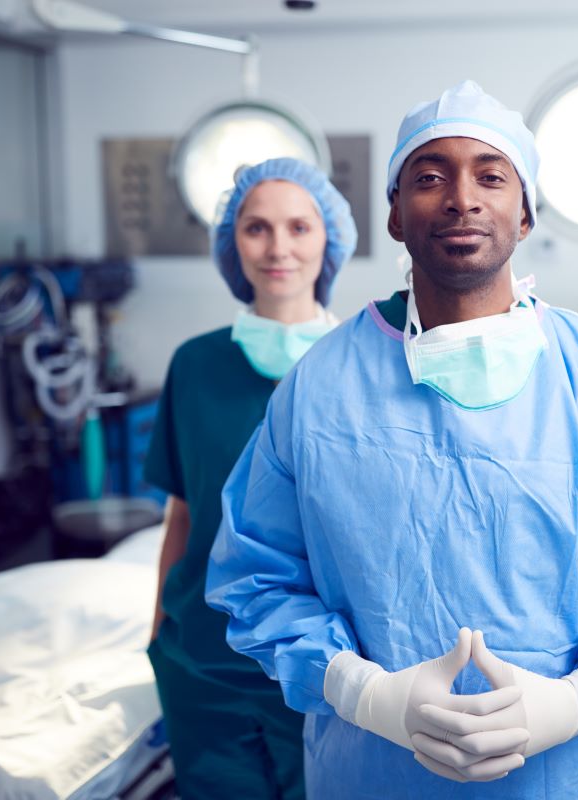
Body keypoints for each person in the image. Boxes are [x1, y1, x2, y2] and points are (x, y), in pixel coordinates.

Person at [205, 80, 578, 800]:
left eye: (490, 174)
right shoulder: (317, 389)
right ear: (392, 212)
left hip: (563, 779)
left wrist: (576, 697)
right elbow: (255, 578)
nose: (461, 198)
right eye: (429, 176)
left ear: (527, 209)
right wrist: (365, 694)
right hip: (371, 776)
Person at [144, 157, 357, 800]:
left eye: (299, 227)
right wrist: (158, 636)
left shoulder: (359, 367)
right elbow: (184, 515)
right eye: (256, 229)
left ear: (330, 241)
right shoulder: (195, 365)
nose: (279, 248)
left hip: (320, 666)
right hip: (202, 664)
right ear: (232, 244)